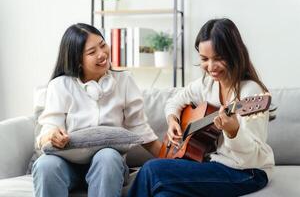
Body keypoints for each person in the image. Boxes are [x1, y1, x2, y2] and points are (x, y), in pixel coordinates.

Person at [128, 18, 275, 197]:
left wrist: (233, 132)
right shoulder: (208, 84)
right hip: (213, 164)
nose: (211, 67)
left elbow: (249, 158)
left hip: (247, 171)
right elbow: (174, 101)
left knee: (152, 169)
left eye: (218, 58)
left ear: (234, 53)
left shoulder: (251, 93)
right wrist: (173, 119)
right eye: (204, 59)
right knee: (164, 194)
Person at [32, 23, 161, 197]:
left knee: (107, 156)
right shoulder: (60, 85)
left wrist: (174, 161)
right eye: (92, 52)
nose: (102, 54)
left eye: (102, 45)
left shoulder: (124, 81)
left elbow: (141, 131)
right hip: (66, 164)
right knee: (45, 165)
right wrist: (52, 135)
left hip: (108, 164)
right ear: (77, 59)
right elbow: (48, 128)